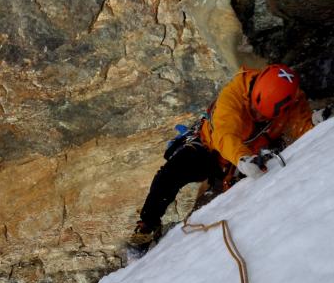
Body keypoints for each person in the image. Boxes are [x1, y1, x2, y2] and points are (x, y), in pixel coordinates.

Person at [132, 64, 314, 240]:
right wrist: (242, 158)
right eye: (254, 110)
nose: (257, 117)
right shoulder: (234, 93)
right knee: (170, 174)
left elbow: (303, 127)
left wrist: (318, 123)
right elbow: (225, 134)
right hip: (211, 148)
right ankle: (148, 224)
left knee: (218, 206)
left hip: (246, 160)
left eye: (263, 116)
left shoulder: (292, 101)